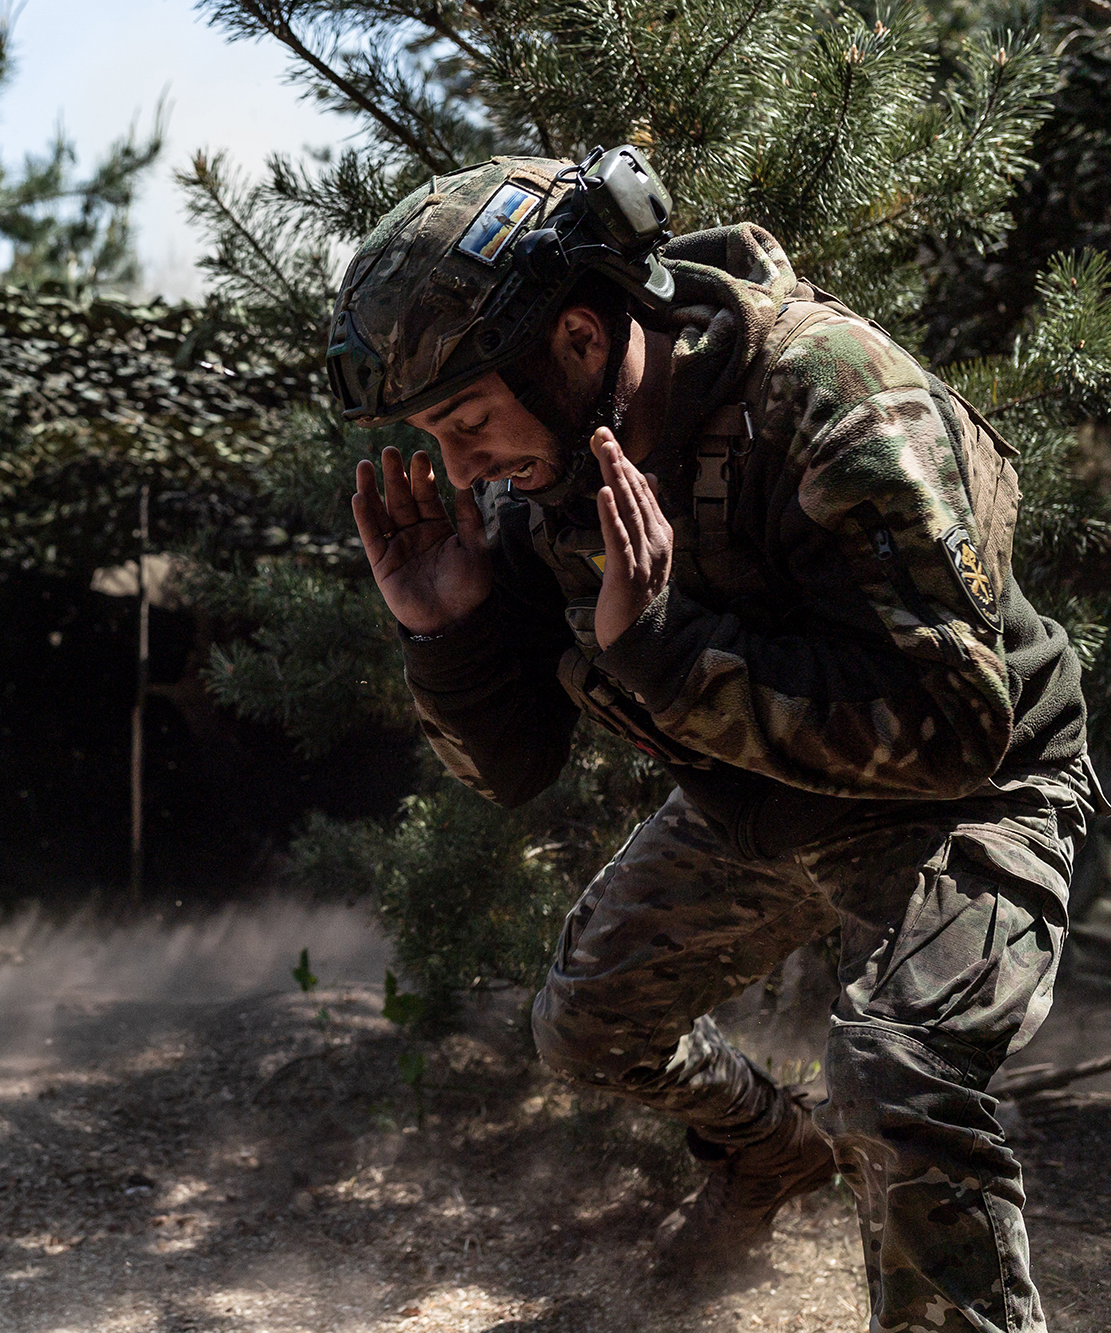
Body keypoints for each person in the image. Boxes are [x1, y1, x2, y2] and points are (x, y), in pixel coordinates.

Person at [331, 149, 1104, 1328]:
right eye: (437, 437)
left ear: (580, 342)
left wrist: (663, 652)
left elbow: (948, 727)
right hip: (759, 798)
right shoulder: (543, 480)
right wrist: (450, 635)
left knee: (894, 1075)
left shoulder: (834, 399)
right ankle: (772, 1151)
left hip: (978, 793)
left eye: (467, 422)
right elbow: (516, 769)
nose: (460, 465)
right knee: (586, 1028)